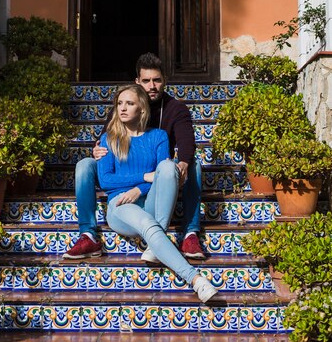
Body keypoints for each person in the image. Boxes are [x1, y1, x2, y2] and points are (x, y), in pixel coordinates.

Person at [64, 52, 203, 260]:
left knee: (194, 166)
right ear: (137, 81)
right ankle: (88, 235)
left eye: (156, 80)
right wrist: (97, 148)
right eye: (146, 81)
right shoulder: (126, 105)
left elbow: (186, 142)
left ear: (164, 80)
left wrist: (182, 162)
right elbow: (106, 136)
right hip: (129, 168)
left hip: (159, 169)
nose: (152, 86)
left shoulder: (175, 109)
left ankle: (190, 233)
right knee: (85, 165)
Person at [95, 84, 217, 303]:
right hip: (120, 206)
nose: (123, 108)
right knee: (149, 224)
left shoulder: (159, 137)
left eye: (129, 103)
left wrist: (138, 189)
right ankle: (196, 280)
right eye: (120, 103)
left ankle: (154, 244)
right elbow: (106, 180)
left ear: (142, 109)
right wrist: (143, 178)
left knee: (170, 166)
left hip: (149, 201)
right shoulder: (109, 139)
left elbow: (163, 176)